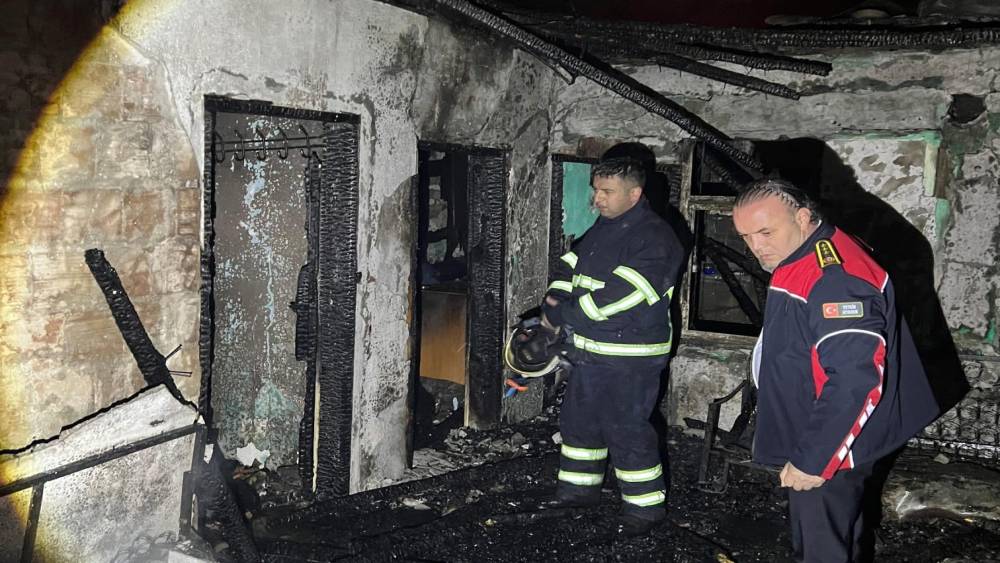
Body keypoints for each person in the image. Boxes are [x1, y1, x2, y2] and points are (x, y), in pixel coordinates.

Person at [731, 178, 938, 562]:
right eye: (745, 236)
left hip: (831, 441)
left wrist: (815, 460)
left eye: (765, 231)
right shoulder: (800, 251)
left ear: (804, 216)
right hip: (817, 427)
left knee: (822, 548)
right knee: (841, 535)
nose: (756, 247)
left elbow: (855, 379)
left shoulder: (835, 279)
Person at [540, 151, 684, 536]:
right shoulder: (604, 228)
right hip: (590, 352)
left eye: (606, 191)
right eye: (595, 190)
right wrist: (552, 301)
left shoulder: (655, 238)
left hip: (630, 357)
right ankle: (577, 493)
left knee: (626, 429)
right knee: (579, 423)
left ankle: (644, 511)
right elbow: (569, 263)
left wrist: (565, 315)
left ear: (634, 194)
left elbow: (623, 298)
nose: (597, 199)